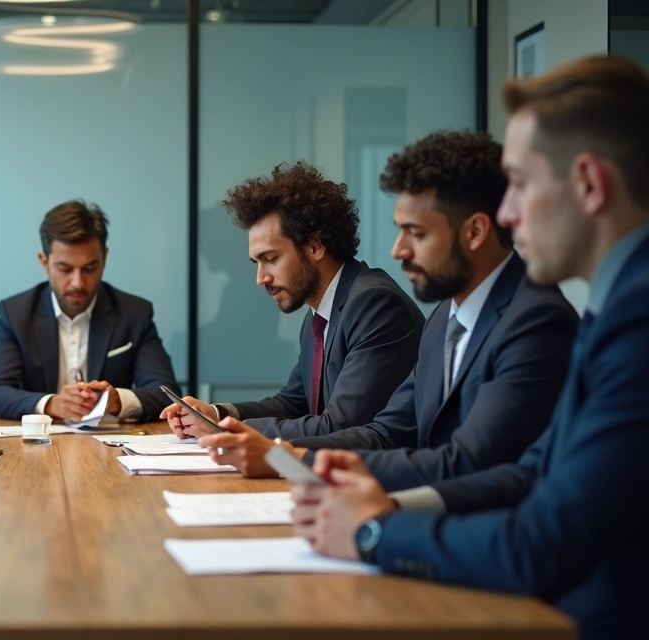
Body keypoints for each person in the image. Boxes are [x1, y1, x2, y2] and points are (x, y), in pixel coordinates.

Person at [291, 56, 649, 640]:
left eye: (523, 186)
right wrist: (384, 506)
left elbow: (542, 542)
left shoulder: (633, 316)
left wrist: (373, 533)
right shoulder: (616, 304)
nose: (508, 213)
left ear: (588, 183)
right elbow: (532, 471)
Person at [198, 132, 577, 488]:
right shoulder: (445, 317)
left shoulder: (537, 321)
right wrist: (282, 453)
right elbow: (386, 433)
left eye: (417, 233)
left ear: (475, 232)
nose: (398, 250)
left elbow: (467, 463)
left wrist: (290, 460)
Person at [164, 162, 423, 440]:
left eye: (271, 259)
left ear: (314, 245)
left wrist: (225, 431)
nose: (261, 278)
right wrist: (215, 415)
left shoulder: (374, 303)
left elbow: (342, 426)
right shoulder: (320, 312)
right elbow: (293, 403)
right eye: (256, 262)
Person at [0, 200, 179, 421]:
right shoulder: (16, 313)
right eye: (65, 269)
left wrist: (119, 401)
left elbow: (167, 394)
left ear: (104, 258)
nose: (77, 282)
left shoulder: (134, 314)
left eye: (89, 268)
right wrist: (52, 404)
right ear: (44, 262)